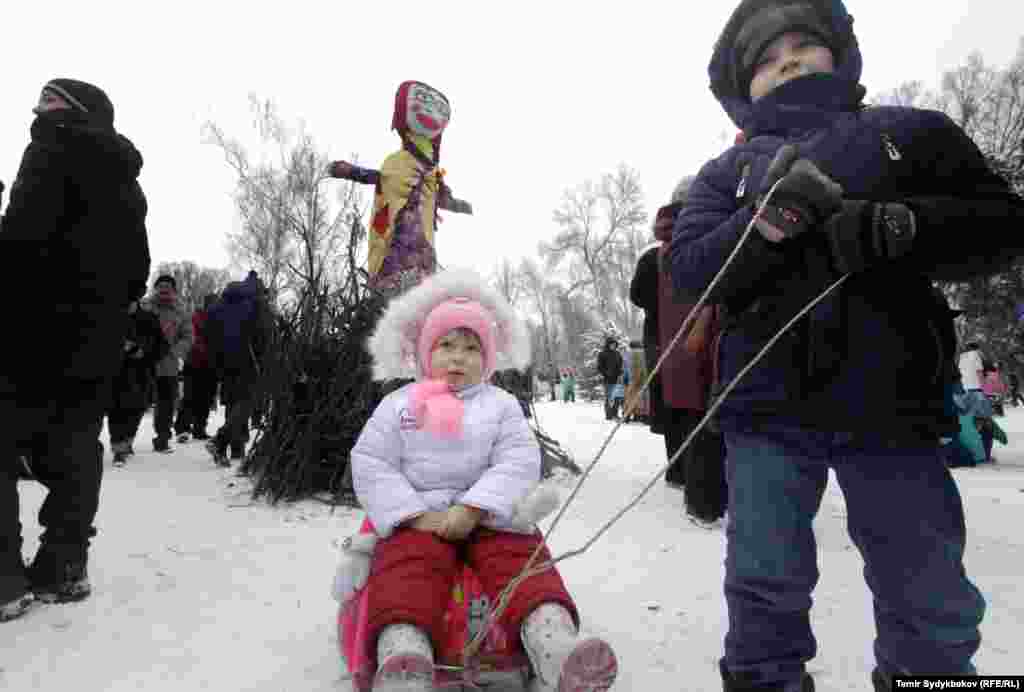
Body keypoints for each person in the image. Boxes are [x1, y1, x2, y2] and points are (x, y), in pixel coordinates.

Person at [671, 1, 1024, 689]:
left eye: (802, 45)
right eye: (767, 60)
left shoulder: (909, 132)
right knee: (763, 584)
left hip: (892, 402)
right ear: (744, 86)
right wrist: (765, 224)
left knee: (927, 590)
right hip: (765, 410)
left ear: (838, 52)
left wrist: (902, 225)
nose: (788, 63)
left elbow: (1003, 223)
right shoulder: (725, 172)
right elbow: (689, 269)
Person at [351, 268, 617, 692]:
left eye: (472, 348)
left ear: (488, 358)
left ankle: (554, 645)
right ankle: (405, 655)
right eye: (446, 346)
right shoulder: (400, 405)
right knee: (406, 569)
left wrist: (475, 507)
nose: (458, 358)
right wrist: (415, 515)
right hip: (420, 517)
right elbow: (372, 462)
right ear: (424, 352)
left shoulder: (501, 405)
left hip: (490, 516)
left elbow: (518, 459)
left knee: (522, 561)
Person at [1, 79, 149, 620]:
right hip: (94, 344)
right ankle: (65, 565)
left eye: (50, 103)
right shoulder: (127, 183)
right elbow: (136, 272)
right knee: (78, 446)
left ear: (73, 113)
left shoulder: (48, 151)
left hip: (29, 331)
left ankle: (4, 578)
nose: (40, 112)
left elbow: (21, 243)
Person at [205, 271, 273, 466]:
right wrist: (264, 359)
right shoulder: (256, 305)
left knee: (233, 402)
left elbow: (208, 332)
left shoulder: (220, 305)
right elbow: (264, 334)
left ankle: (235, 449)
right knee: (246, 403)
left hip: (223, 361)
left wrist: (216, 359)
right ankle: (221, 441)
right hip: (249, 360)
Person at [108, 300, 168, 465]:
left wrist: (144, 352)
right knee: (117, 410)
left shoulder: (149, 319)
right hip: (117, 371)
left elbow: (162, 345)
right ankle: (119, 448)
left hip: (142, 372)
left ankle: (127, 440)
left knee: (137, 408)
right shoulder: (111, 316)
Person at [141, 275, 193, 452]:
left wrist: (175, 351)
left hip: (167, 364)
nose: (164, 290)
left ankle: (162, 438)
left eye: (167, 287)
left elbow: (188, 336)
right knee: (137, 401)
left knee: (166, 403)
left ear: (173, 290)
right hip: (144, 362)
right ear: (155, 289)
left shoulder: (180, 310)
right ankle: (125, 439)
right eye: (161, 287)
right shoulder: (145, 307)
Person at [174, 293, 219, 442]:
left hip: (211, 365)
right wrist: (209, 349)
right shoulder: (196, 318)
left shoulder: (217, 321)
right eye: (212, 304)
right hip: (194, 363)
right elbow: (192, 339)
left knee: (206, 398)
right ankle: (182, 428)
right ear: (207, 305)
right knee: (190, 396)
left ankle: (199, 428)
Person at [595, 338, 624, 420]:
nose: (613, 346)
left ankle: (615, 414)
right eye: (611, 344)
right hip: (607, 379)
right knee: (609, 397)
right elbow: (599, 367)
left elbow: (621, 364)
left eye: (614, 344)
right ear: (608, 344)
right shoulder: (602, 354)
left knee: (617, 397)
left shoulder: (617, 354)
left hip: (617, 379)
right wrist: (606, 373)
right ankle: (608, 414)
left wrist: (620, 372)